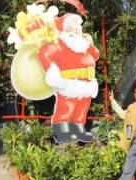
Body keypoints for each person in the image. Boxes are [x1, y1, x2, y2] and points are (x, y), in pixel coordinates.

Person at [38, 13, 100, 143]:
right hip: (68, 83)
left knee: (82, 108)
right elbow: (45, 52)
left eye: (77, 27)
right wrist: (52, 70)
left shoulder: (84, 44)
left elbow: (95, 54)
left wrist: (89, 43)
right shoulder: (59, 44)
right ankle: (62, 130)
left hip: (87, 84)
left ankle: (79, 129)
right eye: (70, 27)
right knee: (67, 107)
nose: (74, 30)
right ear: (62, 30)